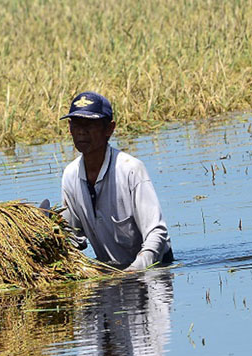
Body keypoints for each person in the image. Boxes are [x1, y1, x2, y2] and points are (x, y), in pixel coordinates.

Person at [57, 91, 173, 271]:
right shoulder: (70, 175)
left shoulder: (130, 169)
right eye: (76, 125)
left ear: (109, 129)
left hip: (155, 268)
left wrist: (134, 272)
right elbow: (72, 237)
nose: (81, 132)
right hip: (114, 273)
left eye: (89, 124)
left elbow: (156, 233)